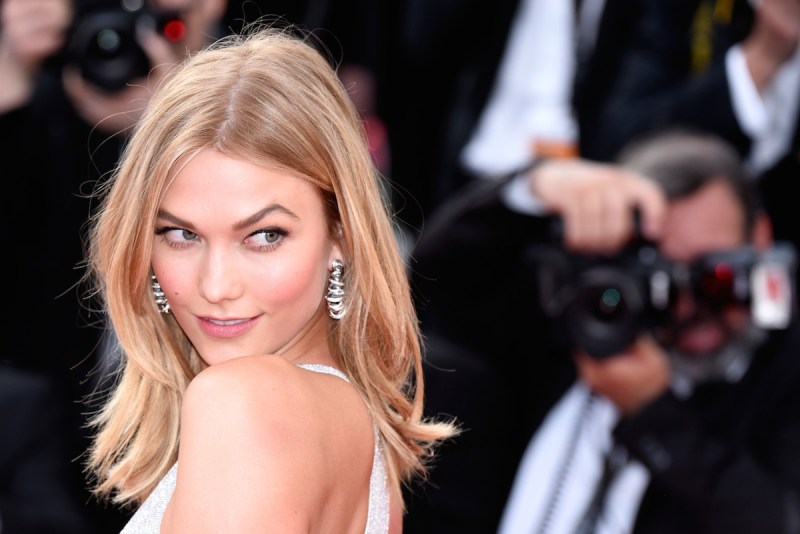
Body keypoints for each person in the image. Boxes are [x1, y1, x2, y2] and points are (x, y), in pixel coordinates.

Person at [82, 27, 456, 532]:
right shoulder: (358, 439)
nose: (216, 287)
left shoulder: (244, 402)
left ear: (340, 235)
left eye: (264, 236)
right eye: (180, 234)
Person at [404, 129, 800, 533]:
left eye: (716, 277)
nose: (689, 307)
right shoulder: (571, 322)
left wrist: (653, 413)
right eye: (661, 279)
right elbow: (431, 284)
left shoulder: (784, 372)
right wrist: (536, 185)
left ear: (760, 237)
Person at [0, 0, 228, 530]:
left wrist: (171, 124)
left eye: (160, 19)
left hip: (182, 429)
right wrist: (11, 86)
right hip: (47, 431)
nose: (122, 42)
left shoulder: (259, 85)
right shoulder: (43, 97)